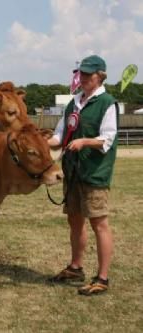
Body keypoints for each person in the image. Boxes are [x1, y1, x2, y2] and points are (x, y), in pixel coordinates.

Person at [47, 55, 118, 295]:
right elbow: (59, 135)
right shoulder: (73, 103)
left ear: (100, 76)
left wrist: (84, 142)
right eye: (82, 73)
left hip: (94, 173)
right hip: (73, 172)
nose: (84, 78)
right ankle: (76, 267)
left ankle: (102, 278)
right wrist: (41, 144)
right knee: (74, 221)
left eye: (89, 74)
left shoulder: (107, 102)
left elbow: (107, 139)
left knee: (99, 224)